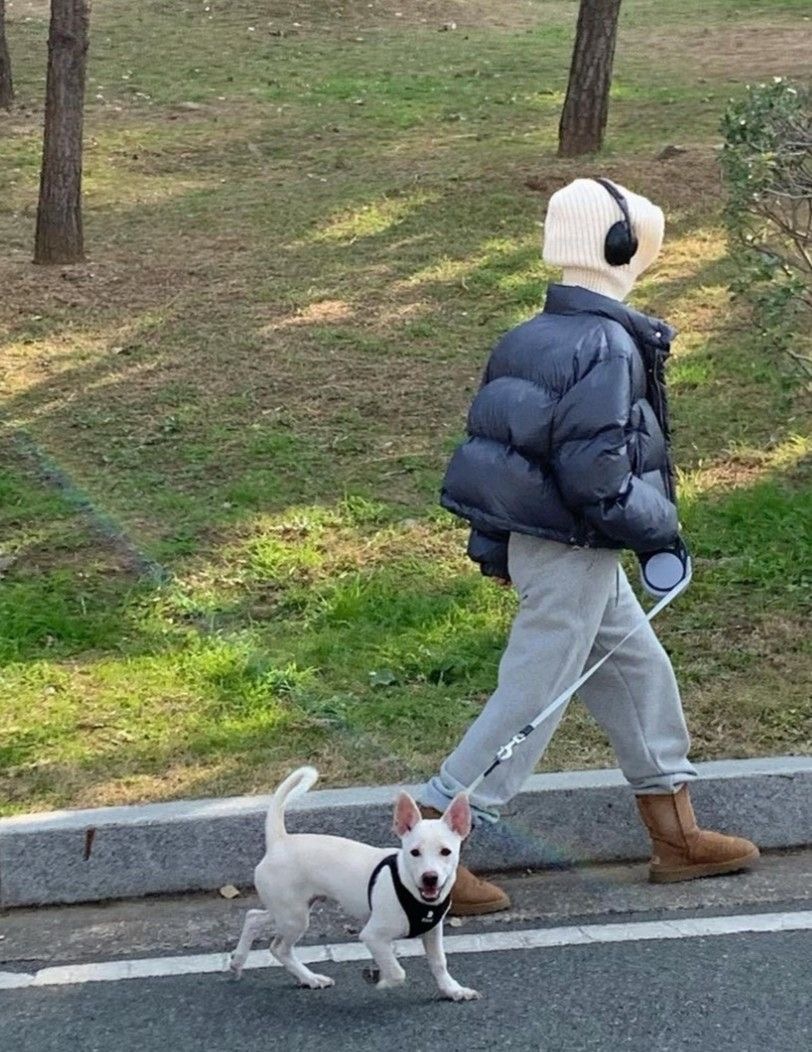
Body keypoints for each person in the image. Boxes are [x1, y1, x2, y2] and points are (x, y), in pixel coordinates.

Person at [418, 177, 759, 916]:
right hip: (573, 545)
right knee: (533, 696)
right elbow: (592, 474)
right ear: (620, 245)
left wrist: (494, 549)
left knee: (639, 673)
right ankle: (425, 847)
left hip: (555, 546)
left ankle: (674, 833)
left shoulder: (531, 335)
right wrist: (660, 526)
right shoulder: (606, 343)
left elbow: (497, 457)